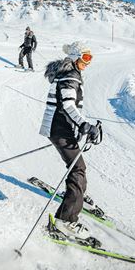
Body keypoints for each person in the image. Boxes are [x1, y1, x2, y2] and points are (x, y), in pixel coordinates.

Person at [39, 41, 101, 239]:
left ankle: (77, 194)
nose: (87, 62)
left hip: (60, 128)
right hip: (59, 129)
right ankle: (66, 220)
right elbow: (68, 105)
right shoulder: (70, 76)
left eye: (90, 58)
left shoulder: (68, 73)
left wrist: (80, 125)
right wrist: (84, 125)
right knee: (77, 169)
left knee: (77, 167)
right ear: (75, 57)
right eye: (85, 57)